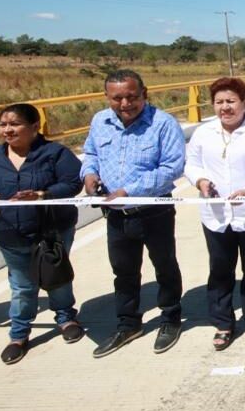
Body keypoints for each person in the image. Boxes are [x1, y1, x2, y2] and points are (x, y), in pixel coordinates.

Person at [81, 69, 186, 358]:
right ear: (107, 97)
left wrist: (130, 190)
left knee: (164, 266)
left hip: (154, 210)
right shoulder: (100, 122)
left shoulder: (163, 123)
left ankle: (170, 318)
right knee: (123, 271)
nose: (125, 104)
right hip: (115, 214)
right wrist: (89, 174)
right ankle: (128, 323)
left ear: (145, 94)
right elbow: (90, 154)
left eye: (132, 97)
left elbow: (171, 168)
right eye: (117, 98)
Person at [0, 103, 84, 364]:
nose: (8, 130)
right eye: (3, 125)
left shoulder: (55, 153)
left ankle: (66, 318)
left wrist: (42, 194)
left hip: (51, 231)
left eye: (15, 124)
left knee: (56, 276)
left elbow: (73, 183)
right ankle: (19, 334)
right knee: (22, 285)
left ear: (35, 127)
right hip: (10, 233)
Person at [184, 77, 245, 350]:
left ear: (244, 103)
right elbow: (191, 164)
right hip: (215, 214)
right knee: (220, 269)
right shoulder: (204, 133)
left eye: (230, 101)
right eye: (219, 102)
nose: (225, 107)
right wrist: (201, 181)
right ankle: (223, 322)